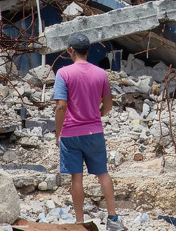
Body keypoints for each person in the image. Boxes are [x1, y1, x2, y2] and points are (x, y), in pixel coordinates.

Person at [54, 33, 126, 231]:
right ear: (88, 51)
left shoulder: (63, 73)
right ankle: (112, 219)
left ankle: (79, 222)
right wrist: (96, 115)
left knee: (76, 178)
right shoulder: (101, 73)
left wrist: (57, 133)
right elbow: (109, 104)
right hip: (94, 132)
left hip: (70, 133)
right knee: (103, 174)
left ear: (70, 50)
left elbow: (61, 106)